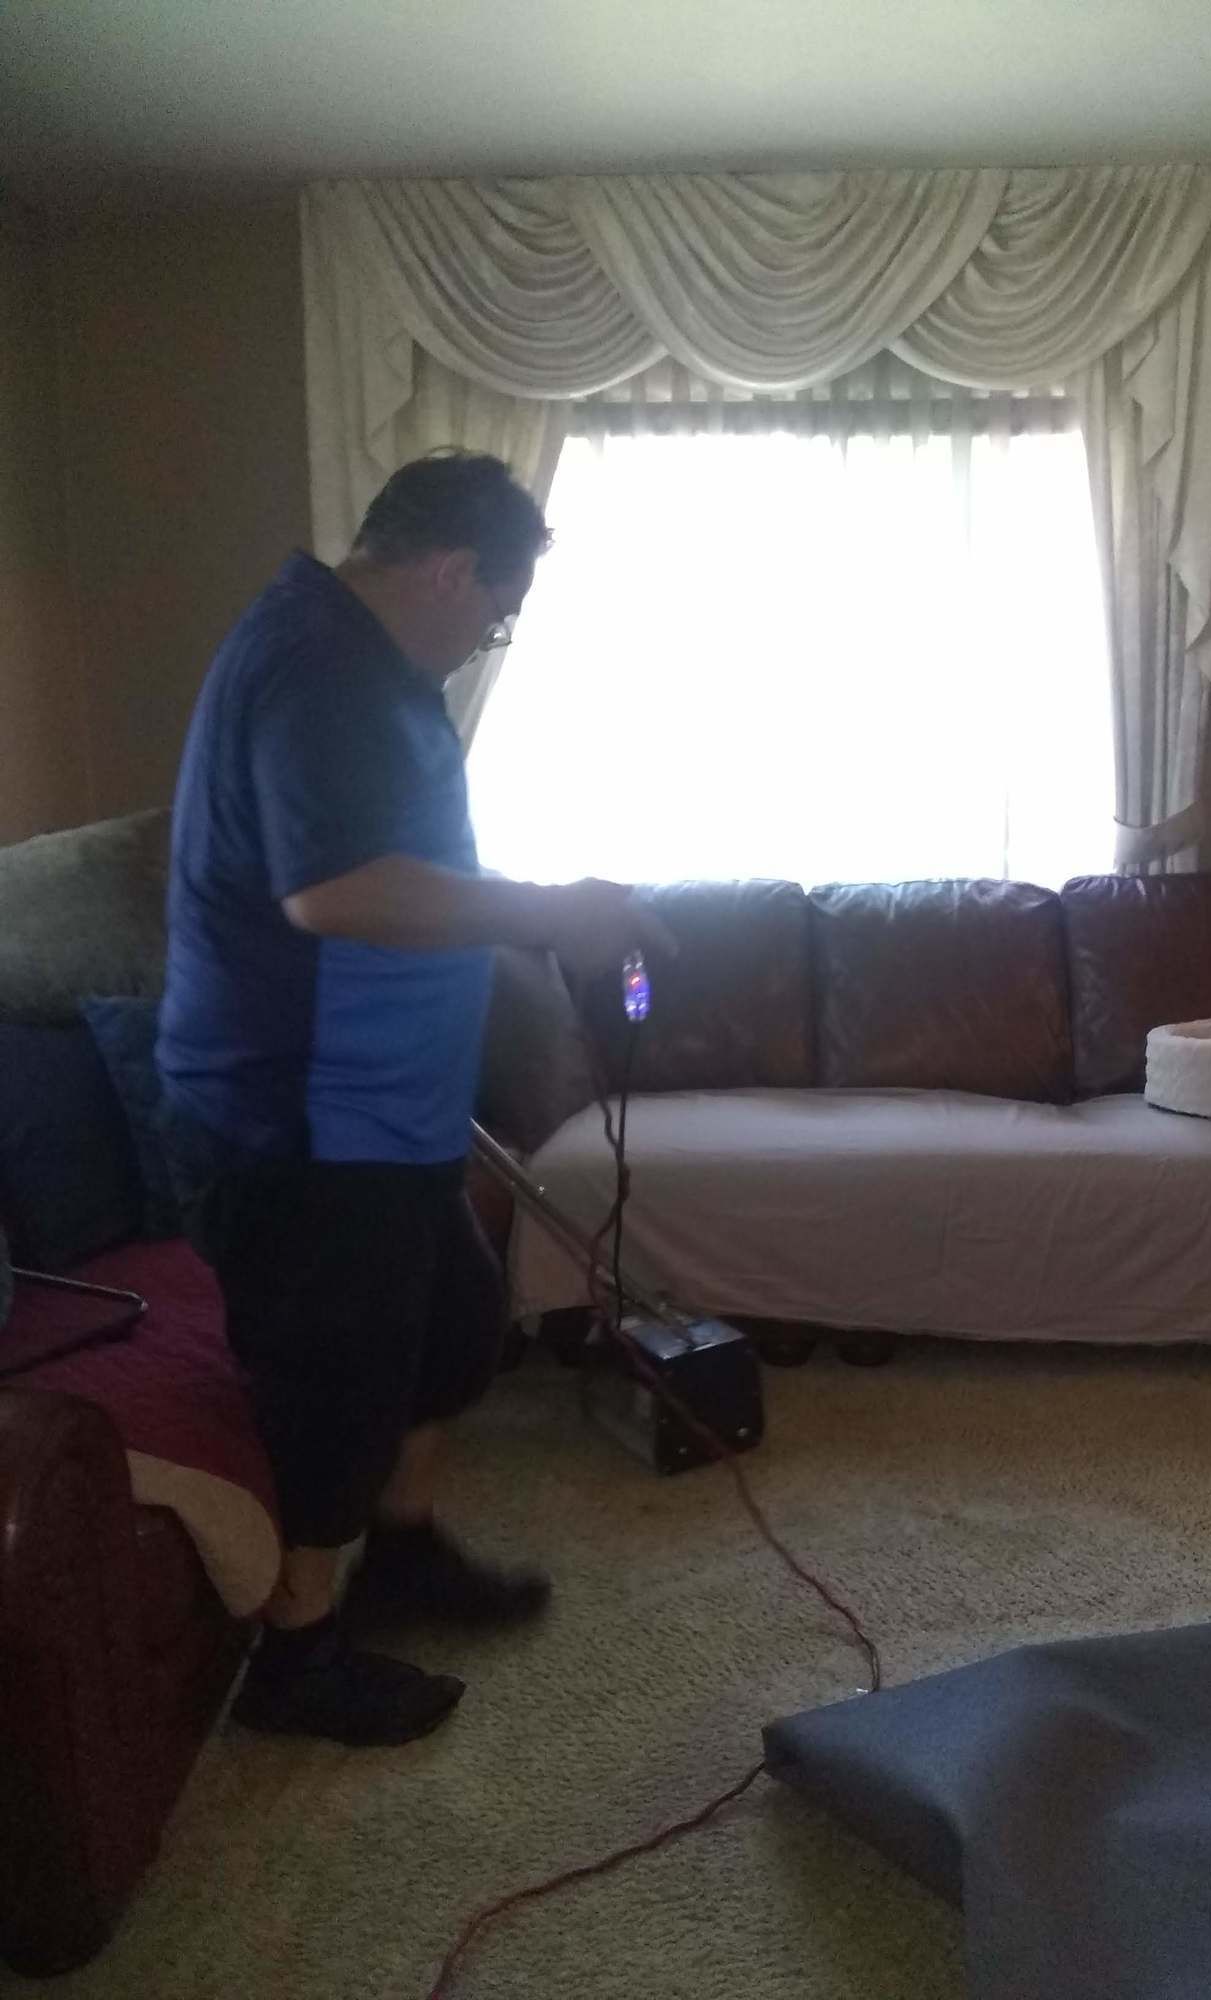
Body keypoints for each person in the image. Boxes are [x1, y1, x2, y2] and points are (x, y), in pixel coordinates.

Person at [157, 451, 669, 1747]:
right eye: (493, 609)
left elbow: (396, 871)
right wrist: (550, 911)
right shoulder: (320, 669)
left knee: (449, 1328)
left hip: (381, 1113)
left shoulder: (362, 667)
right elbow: (334, 893)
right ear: (447, 570)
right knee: (339, 1384)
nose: (487, 634)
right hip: (303, 1122)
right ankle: (300, 1655)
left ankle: (406, 1552)